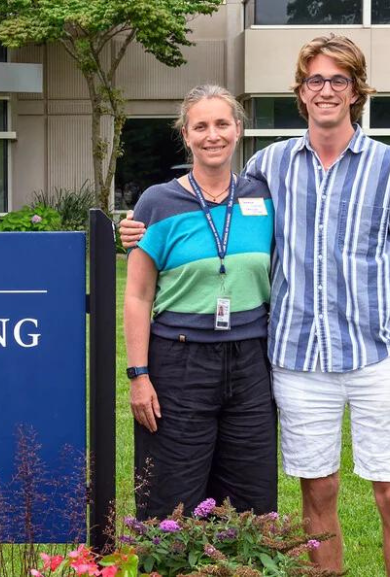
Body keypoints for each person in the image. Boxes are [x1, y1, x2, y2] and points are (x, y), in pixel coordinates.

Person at [120, 34, 390, 575]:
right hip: (292, 358)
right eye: (316, 79)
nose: (327, 90)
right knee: (316, 495)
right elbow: (158, 258)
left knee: (384, 492)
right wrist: (131, 232)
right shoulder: (273, 167)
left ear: (358, 90)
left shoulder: (378, 168)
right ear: (301, 91)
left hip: (371, 354)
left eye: (339, 80)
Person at [124, 84, 277, 520]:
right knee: (171, 495)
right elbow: (137, 295)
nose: (213, 135)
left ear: (238, 130)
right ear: (186, 135)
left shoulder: (263, 197)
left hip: (251, 361)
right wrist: (139, 374)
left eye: (222, 124)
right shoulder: (158, 202)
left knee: (251, 498)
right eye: (201, 126)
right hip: (179, 360)